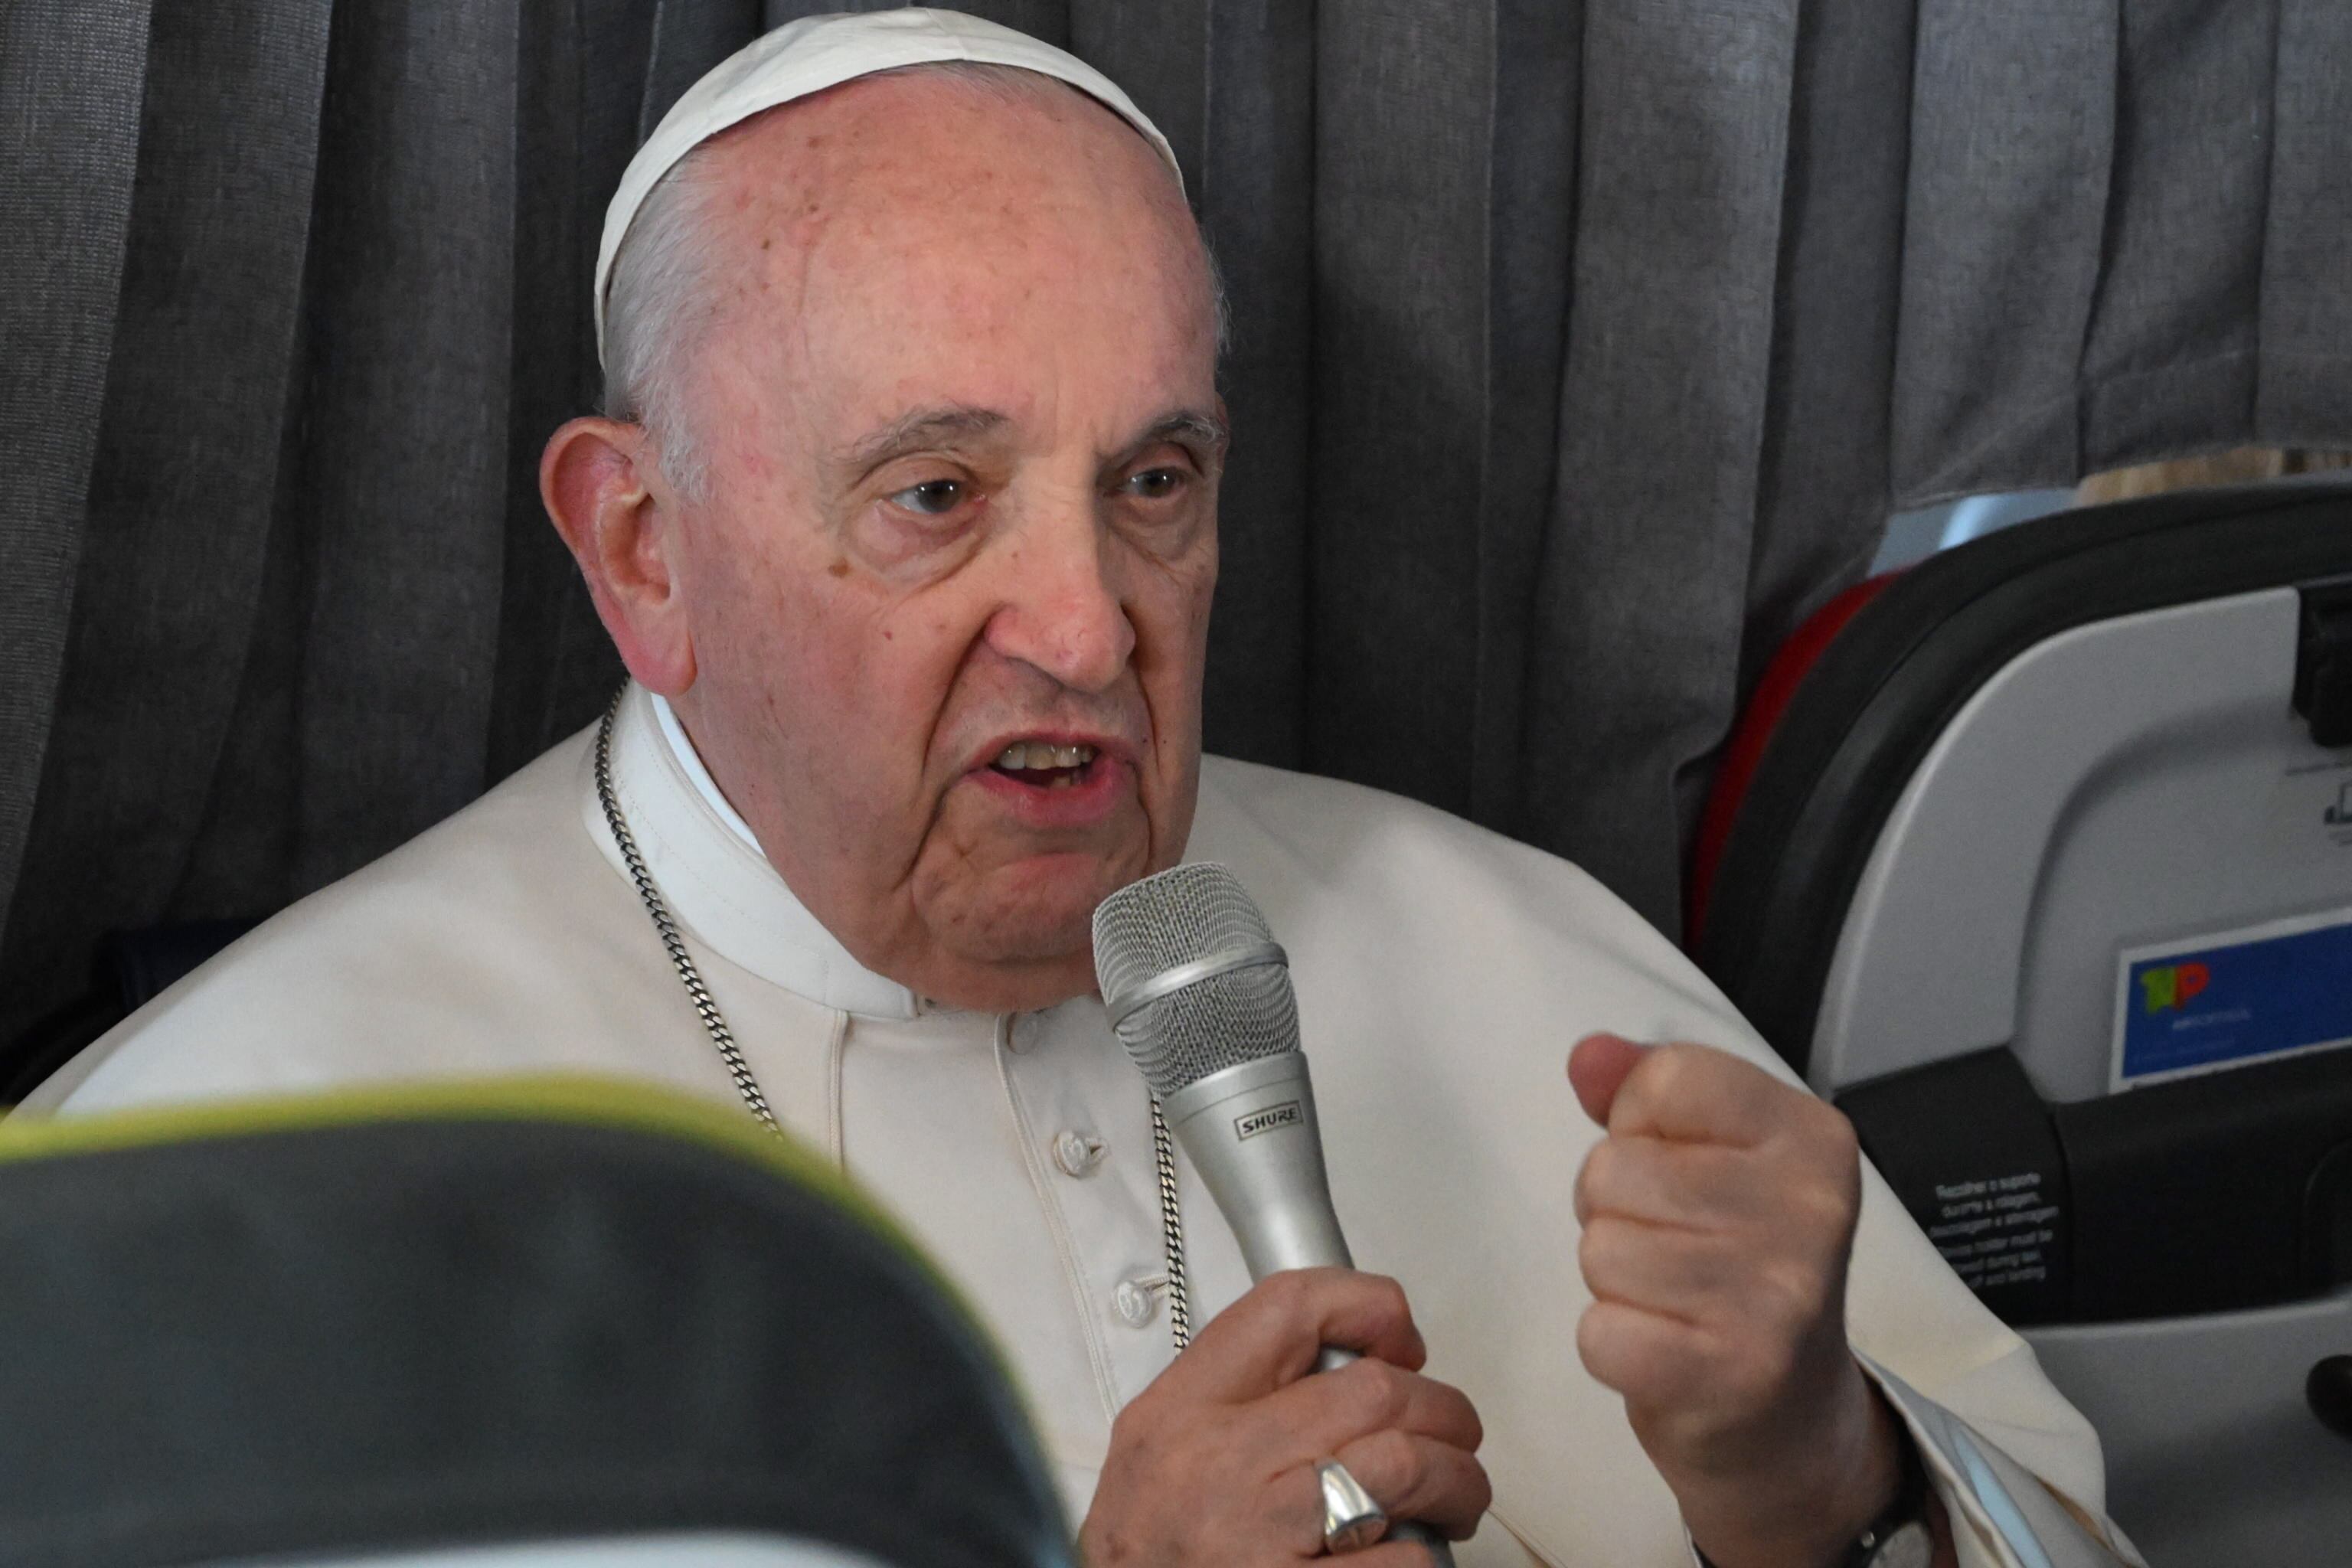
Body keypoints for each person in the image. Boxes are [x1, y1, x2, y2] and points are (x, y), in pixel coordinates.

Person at [20, 11, 2140, 1567]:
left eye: (1153, 483)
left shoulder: (1512, 946)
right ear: (645, 552)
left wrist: (1837, 1487)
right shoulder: (209, 1192)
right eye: (937, 494)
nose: (1089, 625)